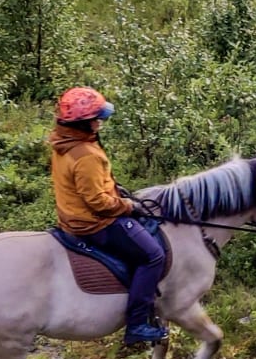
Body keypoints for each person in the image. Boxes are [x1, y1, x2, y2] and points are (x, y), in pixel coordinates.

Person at [48, 87, 167, 345]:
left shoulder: (64, 144)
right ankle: (137, 325)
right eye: (96, 118)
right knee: (153, 255)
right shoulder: (86, 155)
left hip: (71, 218)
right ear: (83, 123)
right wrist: (127, 205)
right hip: (94, 224)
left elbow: (91, 187)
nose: (100, 122)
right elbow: (98, 203)